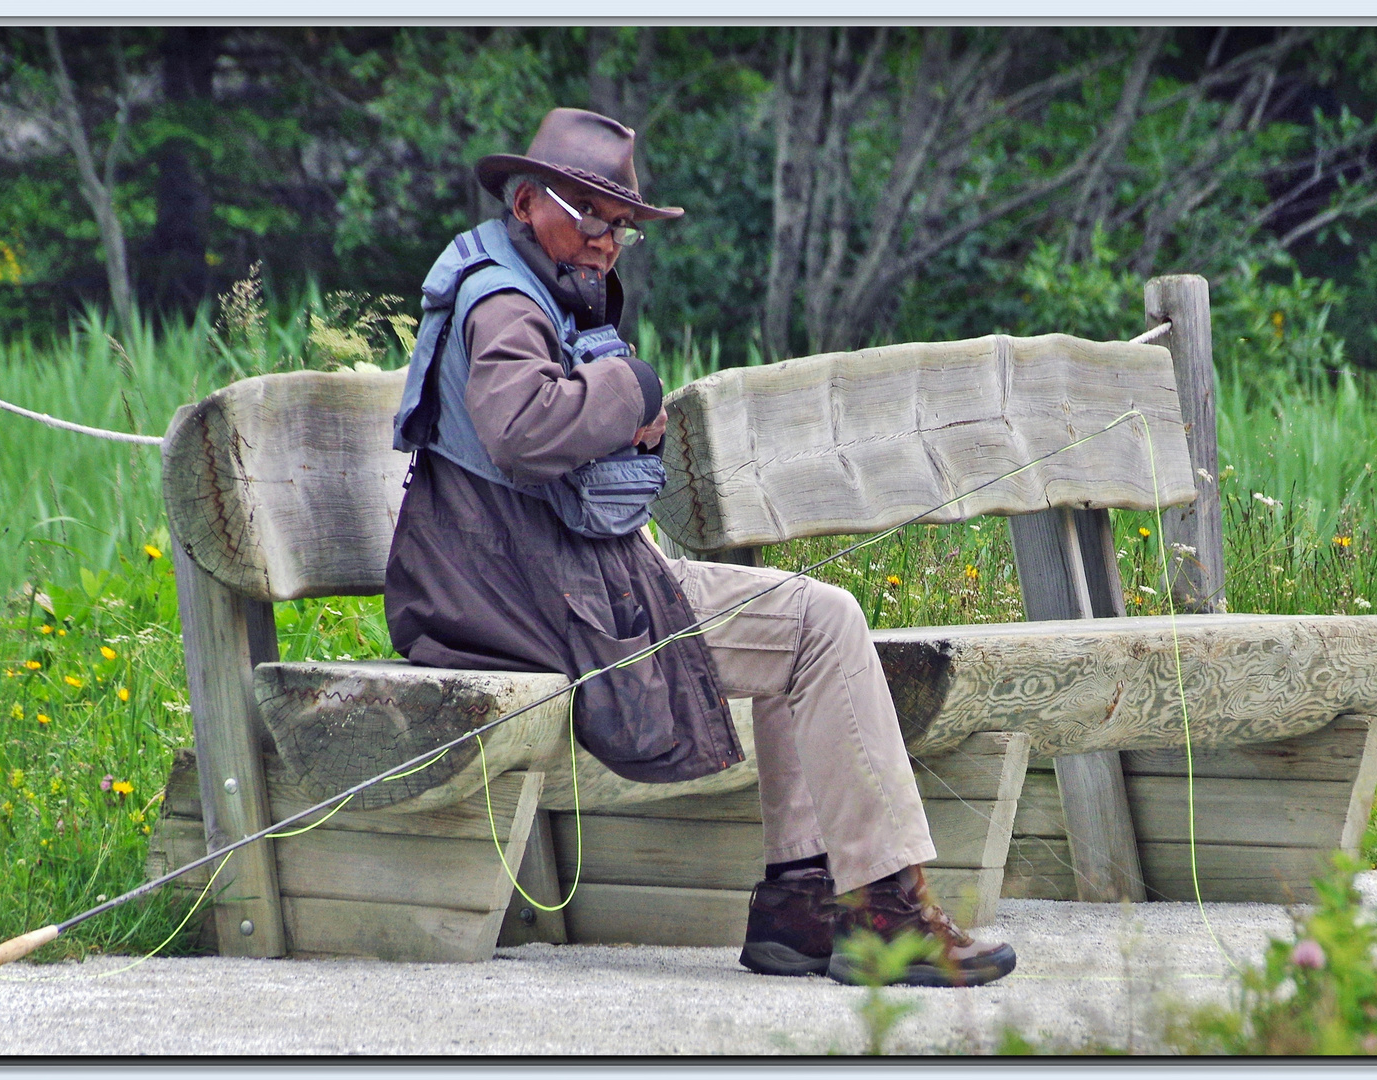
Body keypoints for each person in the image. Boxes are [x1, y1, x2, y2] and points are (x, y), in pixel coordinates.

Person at [385, 107, 1015, 988]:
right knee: (820, 626)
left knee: (813, 622)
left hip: (546, 578)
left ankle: (802, 907)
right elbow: (520, 429)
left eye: (623, 226)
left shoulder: (535, 281)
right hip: (519, 595)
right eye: (591, 215)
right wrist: (629, 385)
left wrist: (625, 420)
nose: (608, 239)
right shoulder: (502, 303)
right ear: (527, 202)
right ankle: (883, 913)